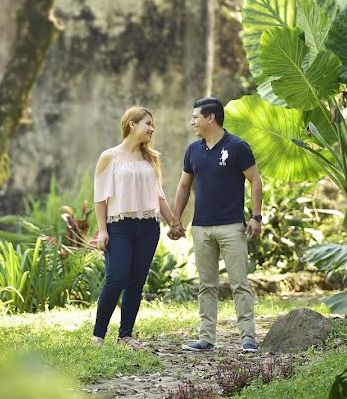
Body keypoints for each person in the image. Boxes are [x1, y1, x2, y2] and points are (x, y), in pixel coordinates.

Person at [171, 97, 263, 353]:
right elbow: (184, 186)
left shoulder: (237, 147)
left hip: (232, 226)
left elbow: (255, 181)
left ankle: (248, 338)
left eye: (195, 117)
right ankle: (206, 338)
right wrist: (176, 219)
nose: (192, 122)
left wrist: (256, 217)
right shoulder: (193, 150)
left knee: (239, 284)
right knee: (206, 285)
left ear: (210, 118)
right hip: (201, 227)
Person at [91, 106, 184, 349]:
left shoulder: (150, 158)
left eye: (153, 125)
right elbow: (100, 198)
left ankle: (126, 336)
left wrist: (173, 222)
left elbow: (159, 196)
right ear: (131, 124)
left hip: (149, 227)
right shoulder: (109, 157)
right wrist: (102, 230)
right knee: (116, 277)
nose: (152, 129)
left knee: (136, 282)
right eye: (147, 124)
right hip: (119, 226)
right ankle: (98, 336)